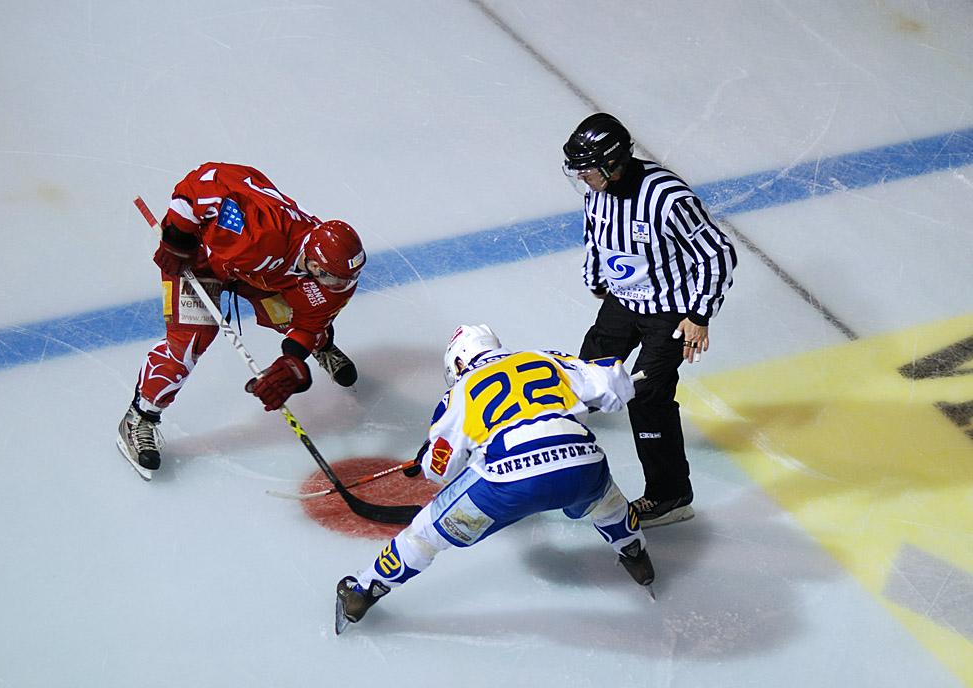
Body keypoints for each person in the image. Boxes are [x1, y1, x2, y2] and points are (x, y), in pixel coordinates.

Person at [334, 324, 654, 631]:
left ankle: (362, 592)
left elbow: (439, 469)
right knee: (607, 502)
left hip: (510, 478)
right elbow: (615, 383)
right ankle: (636, 557)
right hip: (582, 459)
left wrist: (427, 456)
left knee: (423, 534)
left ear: (460, 360)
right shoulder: (544, 358)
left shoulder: (459, 391)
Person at [116, 162, 367, 480]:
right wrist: (178, 239)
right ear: (314, 262)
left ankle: (323, 348)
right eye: (332, 277)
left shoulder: (337, 282)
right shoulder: (261, 229)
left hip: (259, 276)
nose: (340, 286)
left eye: (346, 278)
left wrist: (292, 361)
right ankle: (139, 418)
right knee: (187, 346)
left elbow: (310, 324)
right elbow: (199, 187)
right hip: (198, 260)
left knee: (301, 319)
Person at [562, 113, 737, 528]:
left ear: (613, 162)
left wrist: (699, 315)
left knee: (648, 400)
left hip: (670, 316)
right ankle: (552, 457)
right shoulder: (596, 190)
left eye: (588, 169)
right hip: (623, 304)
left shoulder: (667, 197)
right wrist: (595, 277)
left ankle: (670, 495)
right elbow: (595, 233)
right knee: (580, 374)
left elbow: (717, 254)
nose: (582, 177)